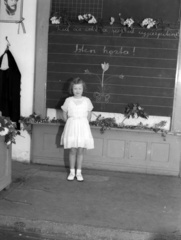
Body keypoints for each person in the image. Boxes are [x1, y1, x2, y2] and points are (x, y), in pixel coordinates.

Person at [61, 77, 94, 182]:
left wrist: (83, 122)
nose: (77, 91)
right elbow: (64, 114)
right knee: (72, 149)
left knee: (80, 150)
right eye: (75, 88)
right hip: (72, 126)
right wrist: (71, 122)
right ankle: (72, 172)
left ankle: (79, 172)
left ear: (83, 89)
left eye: (79, 88)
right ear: (72, 89)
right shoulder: (68, 100)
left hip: (83, 126)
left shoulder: (87, 100)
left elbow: (89, 115)